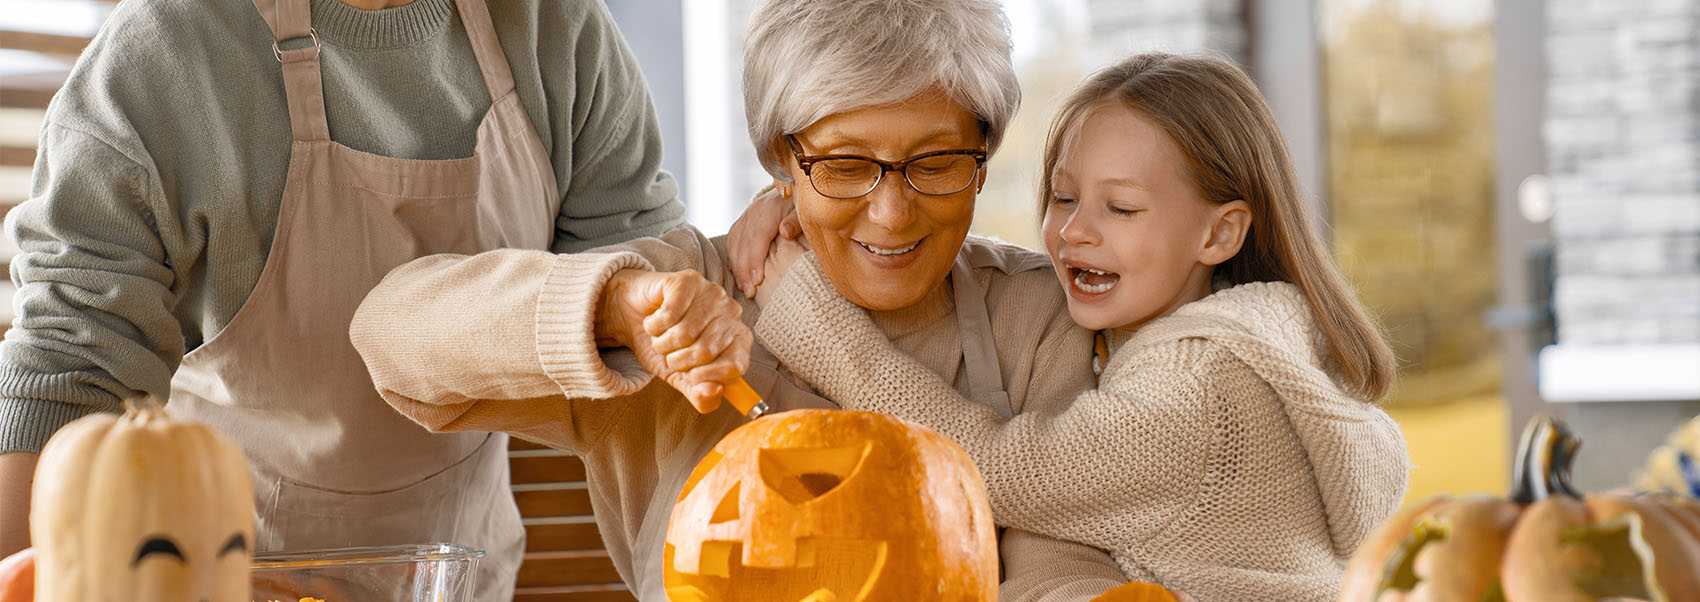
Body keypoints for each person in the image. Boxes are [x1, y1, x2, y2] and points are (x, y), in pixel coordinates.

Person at [348, 0, 1154, 599]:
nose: (892, 211)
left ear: (984, 156)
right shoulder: (685, 294)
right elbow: (392, 333)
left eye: (935, 161)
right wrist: (615, 310)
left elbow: (1060, 555)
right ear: (781, 155)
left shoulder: (1034, 314)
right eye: (844, 165)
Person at [0, 0, 684, 599]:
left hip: (459, 582)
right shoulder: (162, 58)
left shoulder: (557, 30)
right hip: (214, 579)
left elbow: (647, 312)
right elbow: (68, 376)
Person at [744, 53, 1411, 601]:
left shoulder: (1195, 394)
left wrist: (822, 330)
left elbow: (998, 472)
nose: (1075, 231)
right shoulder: (1259, 342)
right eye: (1064, 197)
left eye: (1120, 207)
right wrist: (793, 200)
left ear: (1220, 232)